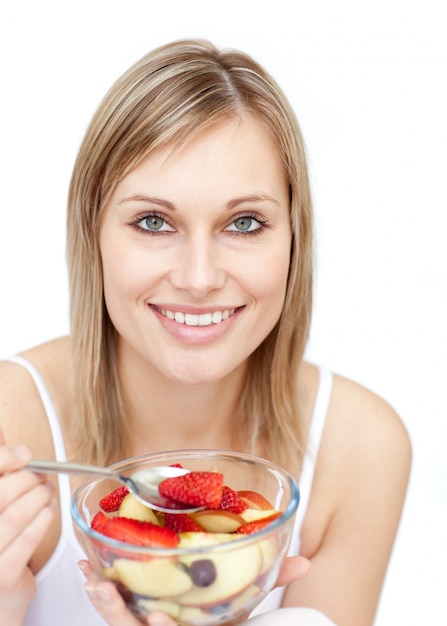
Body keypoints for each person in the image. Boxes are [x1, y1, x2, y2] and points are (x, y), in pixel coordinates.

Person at [0, 38, 411, 626]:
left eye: (244, 223)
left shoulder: (361, 449)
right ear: (93, 234)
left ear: (294, 238)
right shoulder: (11, 426)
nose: (198, 279)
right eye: (153, 221)